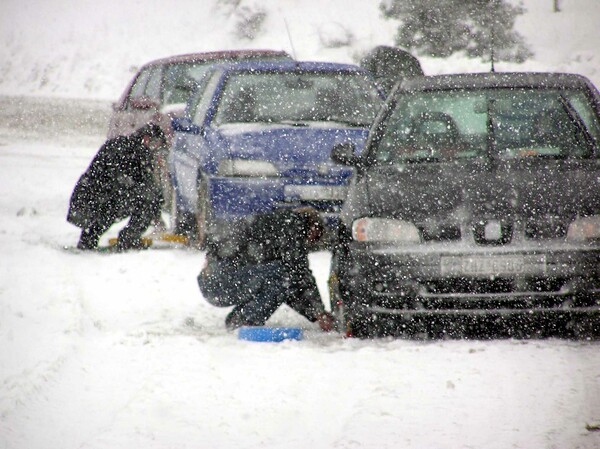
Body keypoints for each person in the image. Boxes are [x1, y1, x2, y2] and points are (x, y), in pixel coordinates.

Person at [197, 207, 335, 331]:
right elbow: (298, 273)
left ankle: (242, 318)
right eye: (316, 236)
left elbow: (287, 289)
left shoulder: (277, 227)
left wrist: (315, 314)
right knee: (285, 274)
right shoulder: (292, 225)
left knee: (282, 278)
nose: (310, 242)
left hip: (213, 283)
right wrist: (319, 312)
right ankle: (244, 319)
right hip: (220, 281)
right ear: (313, 226)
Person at [67, 124, 166, 251]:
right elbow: (119, 180)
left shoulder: (131, 149)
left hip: (97, 198)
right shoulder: (125, 150)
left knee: (143, 199)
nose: (156, 149)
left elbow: (149, 187)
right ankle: (127, 239)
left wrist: (156, 208)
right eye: (155, 144)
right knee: (144, 201)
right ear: (146, 139)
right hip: (93, 198)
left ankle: (90, 240)